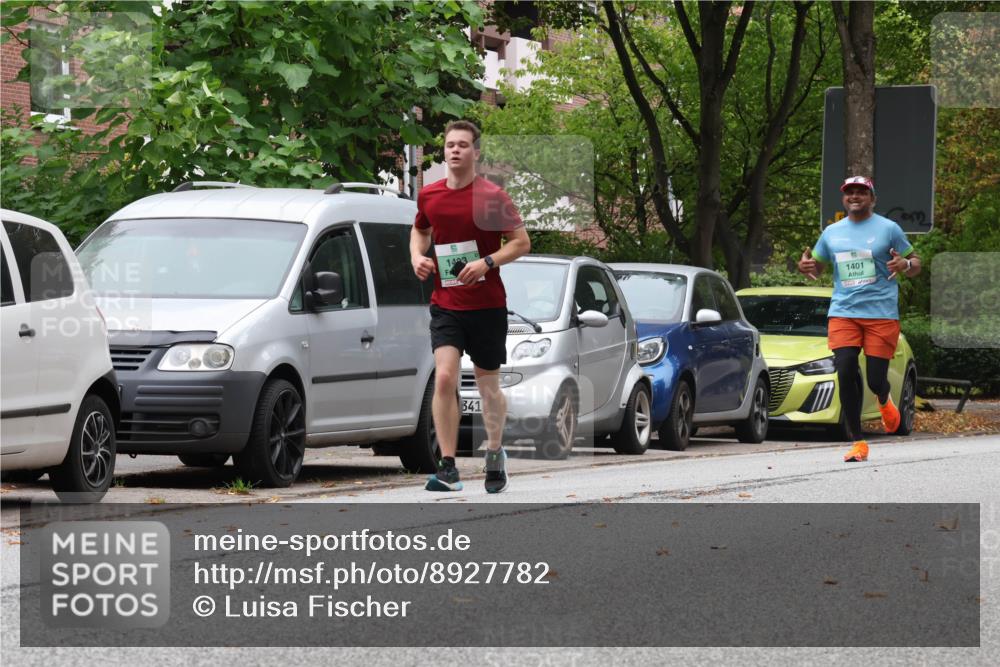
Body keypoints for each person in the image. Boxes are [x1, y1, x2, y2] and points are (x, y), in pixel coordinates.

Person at [410, 120, 531, 492]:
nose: (455, 150)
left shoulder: (493, 196)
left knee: (487, 387)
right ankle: (448, 466)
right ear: (444, 151)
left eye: (463, 145)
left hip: (486, 305)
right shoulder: (429, 195)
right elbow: (421, 230)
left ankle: (495, 451)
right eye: (450, 145)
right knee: (444, 377)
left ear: (476, 152)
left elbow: (521, 242)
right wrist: (417, 256)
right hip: (446, 303)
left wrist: (487, 262)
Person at [798, 175, 921, 462]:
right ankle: (858, 442)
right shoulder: (832, 232)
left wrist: (905, 264)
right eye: (850, 192)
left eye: (861, 192)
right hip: (844, 312)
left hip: (880, 314)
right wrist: (805, 266)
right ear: (844, 198)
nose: (855, 196)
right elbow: (815, 264)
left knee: (876, 379)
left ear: (872, 198)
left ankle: (883, 398)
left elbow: (916, 263)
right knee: (844, 368)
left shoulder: (889, 229)